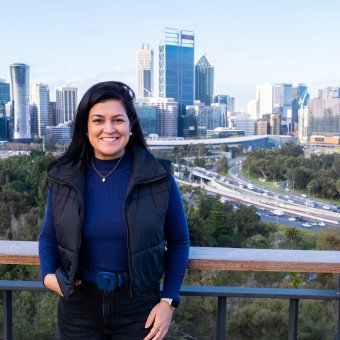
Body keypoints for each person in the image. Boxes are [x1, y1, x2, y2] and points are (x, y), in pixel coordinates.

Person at [39, 81, 190, 339]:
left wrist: (168, 301)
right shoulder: (64, 177)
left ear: (130, 125)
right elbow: (49, 236)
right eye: (98, 120)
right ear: (86, 128)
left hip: (138, 308)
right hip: (78, 306)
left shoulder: (158, 175)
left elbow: (179, 241)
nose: (109, 129)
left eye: (118, 120)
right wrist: (48, 277)